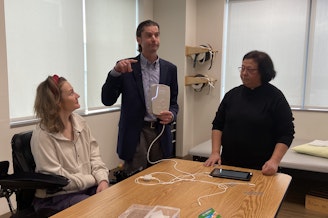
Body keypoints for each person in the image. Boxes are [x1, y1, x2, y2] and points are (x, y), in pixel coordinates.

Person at [101, 20, 179, 174]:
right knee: (133, 183)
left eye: (156, 35)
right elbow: (107, 100)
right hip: (135, 134)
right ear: (139, 39)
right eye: (148, 35)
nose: (154, 39)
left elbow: (174, 104)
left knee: (160, 180)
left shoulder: (170, 69)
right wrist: (115, 73)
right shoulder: (126, 66)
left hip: (160, 133)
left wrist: (172, 115)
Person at [204, 50, 295, 176]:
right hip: (227, 164)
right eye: (242, 68)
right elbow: (218, 125)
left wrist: (274, 161)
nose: (244, 73)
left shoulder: (276, 97)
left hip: (261, 167)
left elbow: (286, 133)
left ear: (263, 72)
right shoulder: (231, 95)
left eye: (250, 70)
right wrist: (215, 152)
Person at [31, 75, 109, 215]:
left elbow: (95, 157)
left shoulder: (80, 123)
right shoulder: (42, 135)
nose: (77, 95)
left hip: (85, 189)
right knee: (96, 210)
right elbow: (59, 179)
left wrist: (102, 179)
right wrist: (93, 179)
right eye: (71, 93)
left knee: (116, 199)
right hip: (56, 197)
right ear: (58, 102)